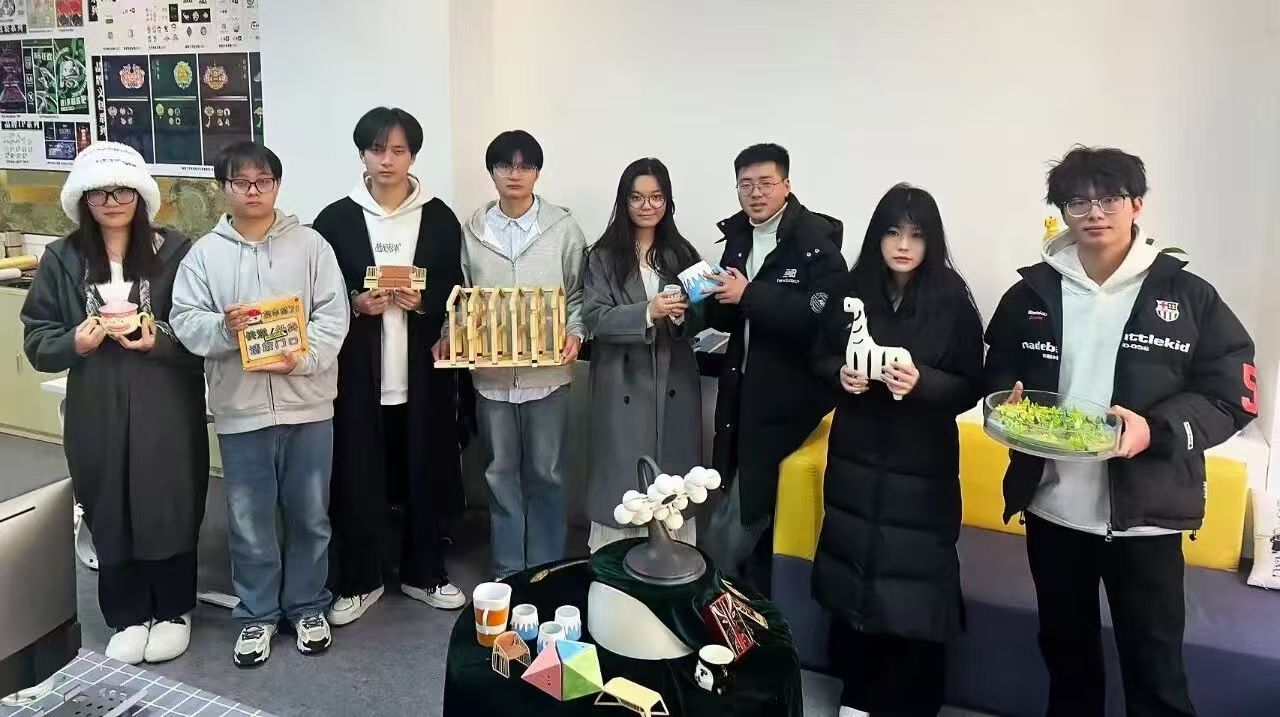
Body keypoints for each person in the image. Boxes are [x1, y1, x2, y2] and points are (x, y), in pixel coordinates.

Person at [984, 146, 1257, 716]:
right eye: (1077, 201)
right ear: (1062, 211)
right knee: (1067, 661)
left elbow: (1232, 395)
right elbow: (999, 367)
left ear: (1137, 204)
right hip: (1053, 509)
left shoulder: (1189, 296)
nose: (1093, 213)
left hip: (1145, 520)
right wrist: (1007, 399)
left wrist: (1155, 431)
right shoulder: (1031, 292)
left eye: (1109, 198)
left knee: (1155, 672)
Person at [21, 142, 208, 665]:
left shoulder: (176, 251)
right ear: (82, 198)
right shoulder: (62, 258)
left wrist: (158, 340)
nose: (112, 201)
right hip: (97, 405)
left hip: (166, 404)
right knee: (108, 501)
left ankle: (173, 609)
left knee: (168, 500)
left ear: (141, 195)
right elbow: (37, 339)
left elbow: (200, 329)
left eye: (123, 190)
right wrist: (74, 343)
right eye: (99, 192)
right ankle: (126, 614)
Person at [171, 142, 350, 667]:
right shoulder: (204, 254)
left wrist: (302, 360)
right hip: (241, 409)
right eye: (241, 182)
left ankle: (308, 606)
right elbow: (185, 321)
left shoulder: (311, 245)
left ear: (277, 185)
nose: (253, 190)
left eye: (263, 181)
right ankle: (256, 615)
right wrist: (225, 329)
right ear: (223, 188)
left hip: (308, 406)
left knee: (311, 517)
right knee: (249, 523)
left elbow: (332, 315)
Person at [810, 184, 983, 717]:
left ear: (932, 241)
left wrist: (923, 382)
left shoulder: (951, 299)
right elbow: (818, 355)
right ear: (876, 237)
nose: (903, 245)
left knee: (916, 584)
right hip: (855, 458)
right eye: (892, 232)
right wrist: (840, 375)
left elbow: (972, 383)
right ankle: (857, 694)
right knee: (854, 571)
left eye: (915, 234)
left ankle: (907, 699)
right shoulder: (850, 290)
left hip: (922, 465)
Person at [313, 107, 468, 624]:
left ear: (413, 156)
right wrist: (355, 304)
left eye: (398, 150)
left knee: (425, 469)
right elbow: (319, 292)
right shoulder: (335, 219)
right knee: (356, 476)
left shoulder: (439, 217)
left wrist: (425, 302)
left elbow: (454, 287)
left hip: (421, 372)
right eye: (377, 149)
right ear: (362, 154)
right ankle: (360, 579)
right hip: (357, 374)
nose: (387, 160)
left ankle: (426, 573)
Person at [432, 130, 586, 579]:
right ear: (491, 172)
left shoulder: (563, 228)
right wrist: (450, 334)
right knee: (499, 473)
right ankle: (507, 571)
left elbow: (578, 293)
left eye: (524, 166)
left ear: (537, 172)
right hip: (492, 377)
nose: (514, 174)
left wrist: (575, 331)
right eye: (504, 165)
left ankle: (546, 569)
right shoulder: (472, 231)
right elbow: (460, 297)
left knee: (547, 473)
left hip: (548, 376)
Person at [701, 142, 846, 590]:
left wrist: (750, 294)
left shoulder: (816, 244)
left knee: (743, 513)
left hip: (788, 401)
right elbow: (733, 317)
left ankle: (718, 598)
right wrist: (709, 297)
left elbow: (823, 318)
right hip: (741, 391)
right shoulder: (739, 238)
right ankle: (744, 605)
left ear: (787, 185)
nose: (756, 193)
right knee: (739, 496)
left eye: (765, 183)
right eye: (746, 185)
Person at [582, 158, 703, 552]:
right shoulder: (602, 256)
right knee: (623, 479)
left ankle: (672, 562)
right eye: (636, 197)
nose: (647, 206)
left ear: (667, 201)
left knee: (673, 481)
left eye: (656, 197)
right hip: (622, 379)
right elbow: (595, 318)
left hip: (674, 377)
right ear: (624, 202)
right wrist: (647, 312)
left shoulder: (683, 253)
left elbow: (703, 315)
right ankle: (617, 564)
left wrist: (683, 315)